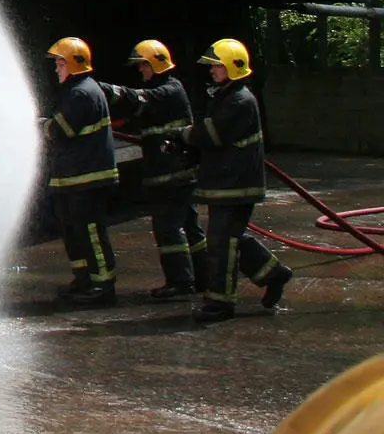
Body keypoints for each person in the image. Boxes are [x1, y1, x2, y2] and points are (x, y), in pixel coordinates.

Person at [186, 38, 293, 323]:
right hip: (228, 183)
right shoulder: (227, 95)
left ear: (232, 68)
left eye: (216, 66)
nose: (212, 70)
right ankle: (273, 273)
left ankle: (219, 304)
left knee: (222, 244)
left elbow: (212, 134)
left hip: (235, 185)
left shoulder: (238, 100)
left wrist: (182, 135)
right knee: (229, 239)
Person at [102, 40, 208, 299]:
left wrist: (101, 88)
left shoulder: (168, 91)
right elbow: (139, 111)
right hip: (177, 174)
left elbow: (138, 98)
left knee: (168, 227)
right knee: (190, 227)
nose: (141, 71)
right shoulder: (167, 90)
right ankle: (204, 277)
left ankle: (180, 281)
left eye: (142, 67)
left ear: (154, 64)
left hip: (171, 176)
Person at [43, 37, 119, 306]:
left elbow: (61, 129)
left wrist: (42, 126)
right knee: (73, 231)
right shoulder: (79, 90)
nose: (56, 68)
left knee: (90, 232)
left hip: (87, 180)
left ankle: (102, 285)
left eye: (60, 63)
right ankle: (84, 279)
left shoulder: (82, 93)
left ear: (73, 64)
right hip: (74, 179)